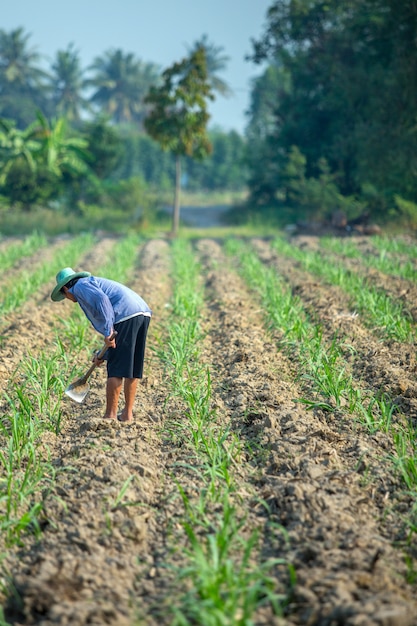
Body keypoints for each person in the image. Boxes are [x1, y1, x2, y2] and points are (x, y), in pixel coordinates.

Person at [51, 267, 152, 422]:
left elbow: (103, 302)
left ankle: (110, 416)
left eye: (64, 296)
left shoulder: (80, 286)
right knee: (131, 367)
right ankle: (127, 414)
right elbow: (113, 336)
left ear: (66, 289)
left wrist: (108, 331)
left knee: (116, 369)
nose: (68, 299)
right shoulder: (89, 283)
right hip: (141, 312)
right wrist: (102, 354)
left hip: (124, 314)